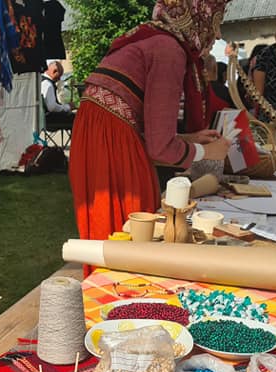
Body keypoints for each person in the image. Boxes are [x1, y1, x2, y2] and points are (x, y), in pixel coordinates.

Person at [69, 0, 232, 240]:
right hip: (112, 139)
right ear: (197, 17)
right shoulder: (169, 51)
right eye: (214, 21)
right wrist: (208, 152)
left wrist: (188, 139)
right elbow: (160, 149)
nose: (217, 35)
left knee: (105, 227)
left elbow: (146, 127)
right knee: (136, 226)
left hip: (98, 132)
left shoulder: (152, 39)